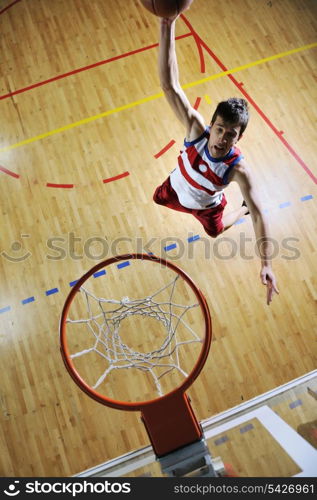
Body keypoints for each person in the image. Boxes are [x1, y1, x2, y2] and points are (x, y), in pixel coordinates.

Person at [153, 17, 279, 305]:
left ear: (239, 138)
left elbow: (261, 215)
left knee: (215, 232)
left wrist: (266, 264)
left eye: (230, 134)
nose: (222, 138)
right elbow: (170, 86)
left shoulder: (237, 169)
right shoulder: (197, 131)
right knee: (156, 198)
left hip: (206, 208)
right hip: (174, 189)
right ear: (212, 124)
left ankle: (238, 212)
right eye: (220, 129)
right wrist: (166, 24)